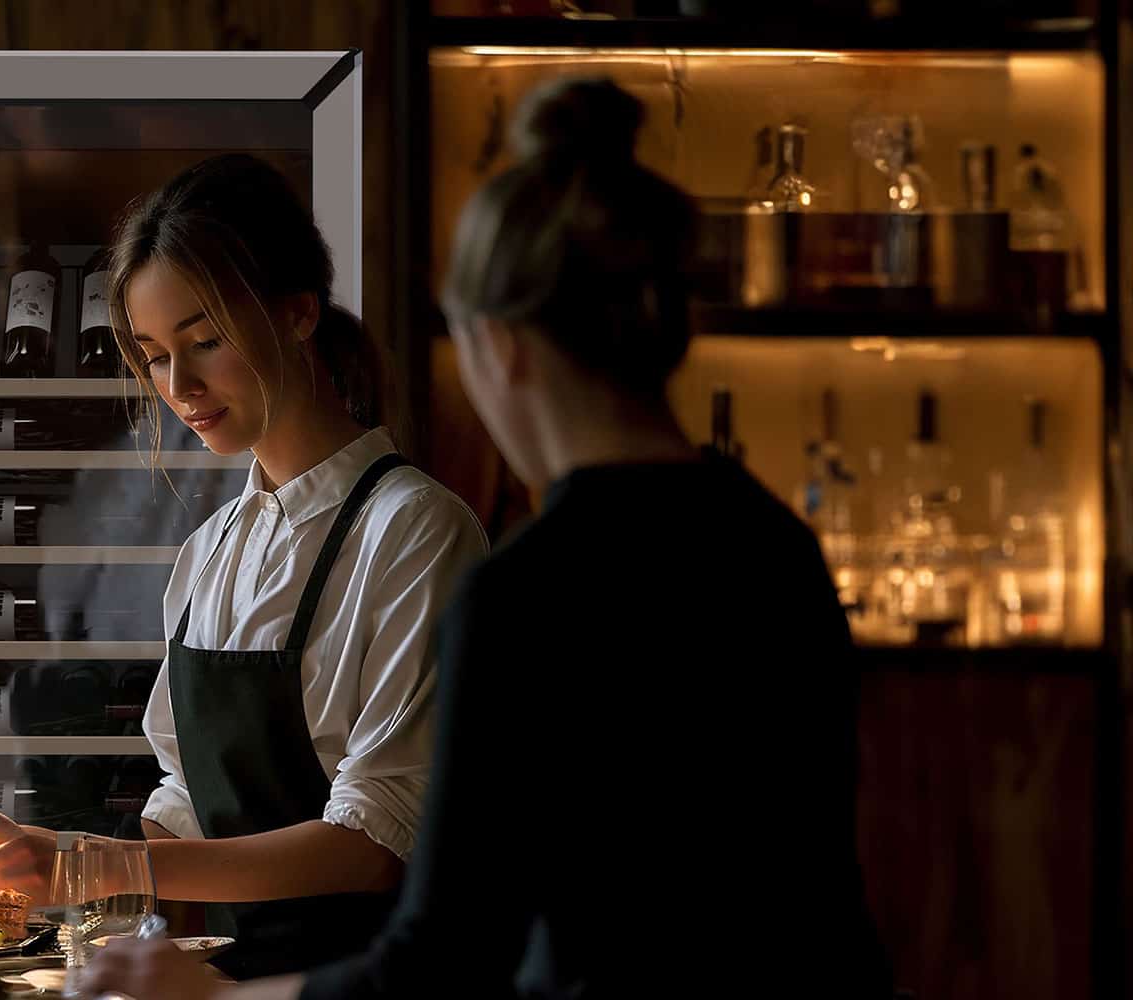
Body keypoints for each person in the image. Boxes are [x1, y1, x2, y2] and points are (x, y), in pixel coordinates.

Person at [83, 77, 892, 999]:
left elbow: (444, 949)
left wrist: (219, 998)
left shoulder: (525, 591)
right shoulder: (775, 544)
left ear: (500, 347)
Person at [0, 153, 487, 980]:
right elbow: (182, 813)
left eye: (205, 342)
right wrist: (26, 863)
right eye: (153, 354)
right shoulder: (212, 551)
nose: (181, 386)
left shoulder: (415, 533)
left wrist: (98, 864)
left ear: (297, 314)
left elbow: (375, 843)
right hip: (227, 980)